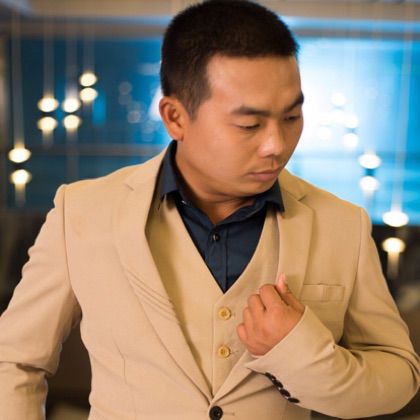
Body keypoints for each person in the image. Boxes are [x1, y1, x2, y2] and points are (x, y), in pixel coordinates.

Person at [0, 1, 419, 419]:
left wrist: (301, 355)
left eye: (292, 116)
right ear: (175, 117)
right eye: (249, 125)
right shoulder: (82, 212)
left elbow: (400, 377)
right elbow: (15, 361)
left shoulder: (341, 224)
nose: (276, 145)